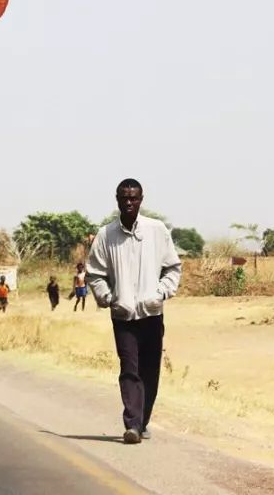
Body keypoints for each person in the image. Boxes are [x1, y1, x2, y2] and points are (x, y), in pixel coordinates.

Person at [87, 178, 182, 445]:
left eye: (134, 198)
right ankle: (131, 424)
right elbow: (95, 273)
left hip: (152, 313)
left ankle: (142, 421)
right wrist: (108, 298)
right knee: (130, 368)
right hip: (124, 315)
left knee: (150, 372)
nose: (129, 203)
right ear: (116, 199)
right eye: (124, 198)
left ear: (141, 200)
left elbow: (173, 267)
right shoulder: (106, 235)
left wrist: (161, 292)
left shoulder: (157, 230)